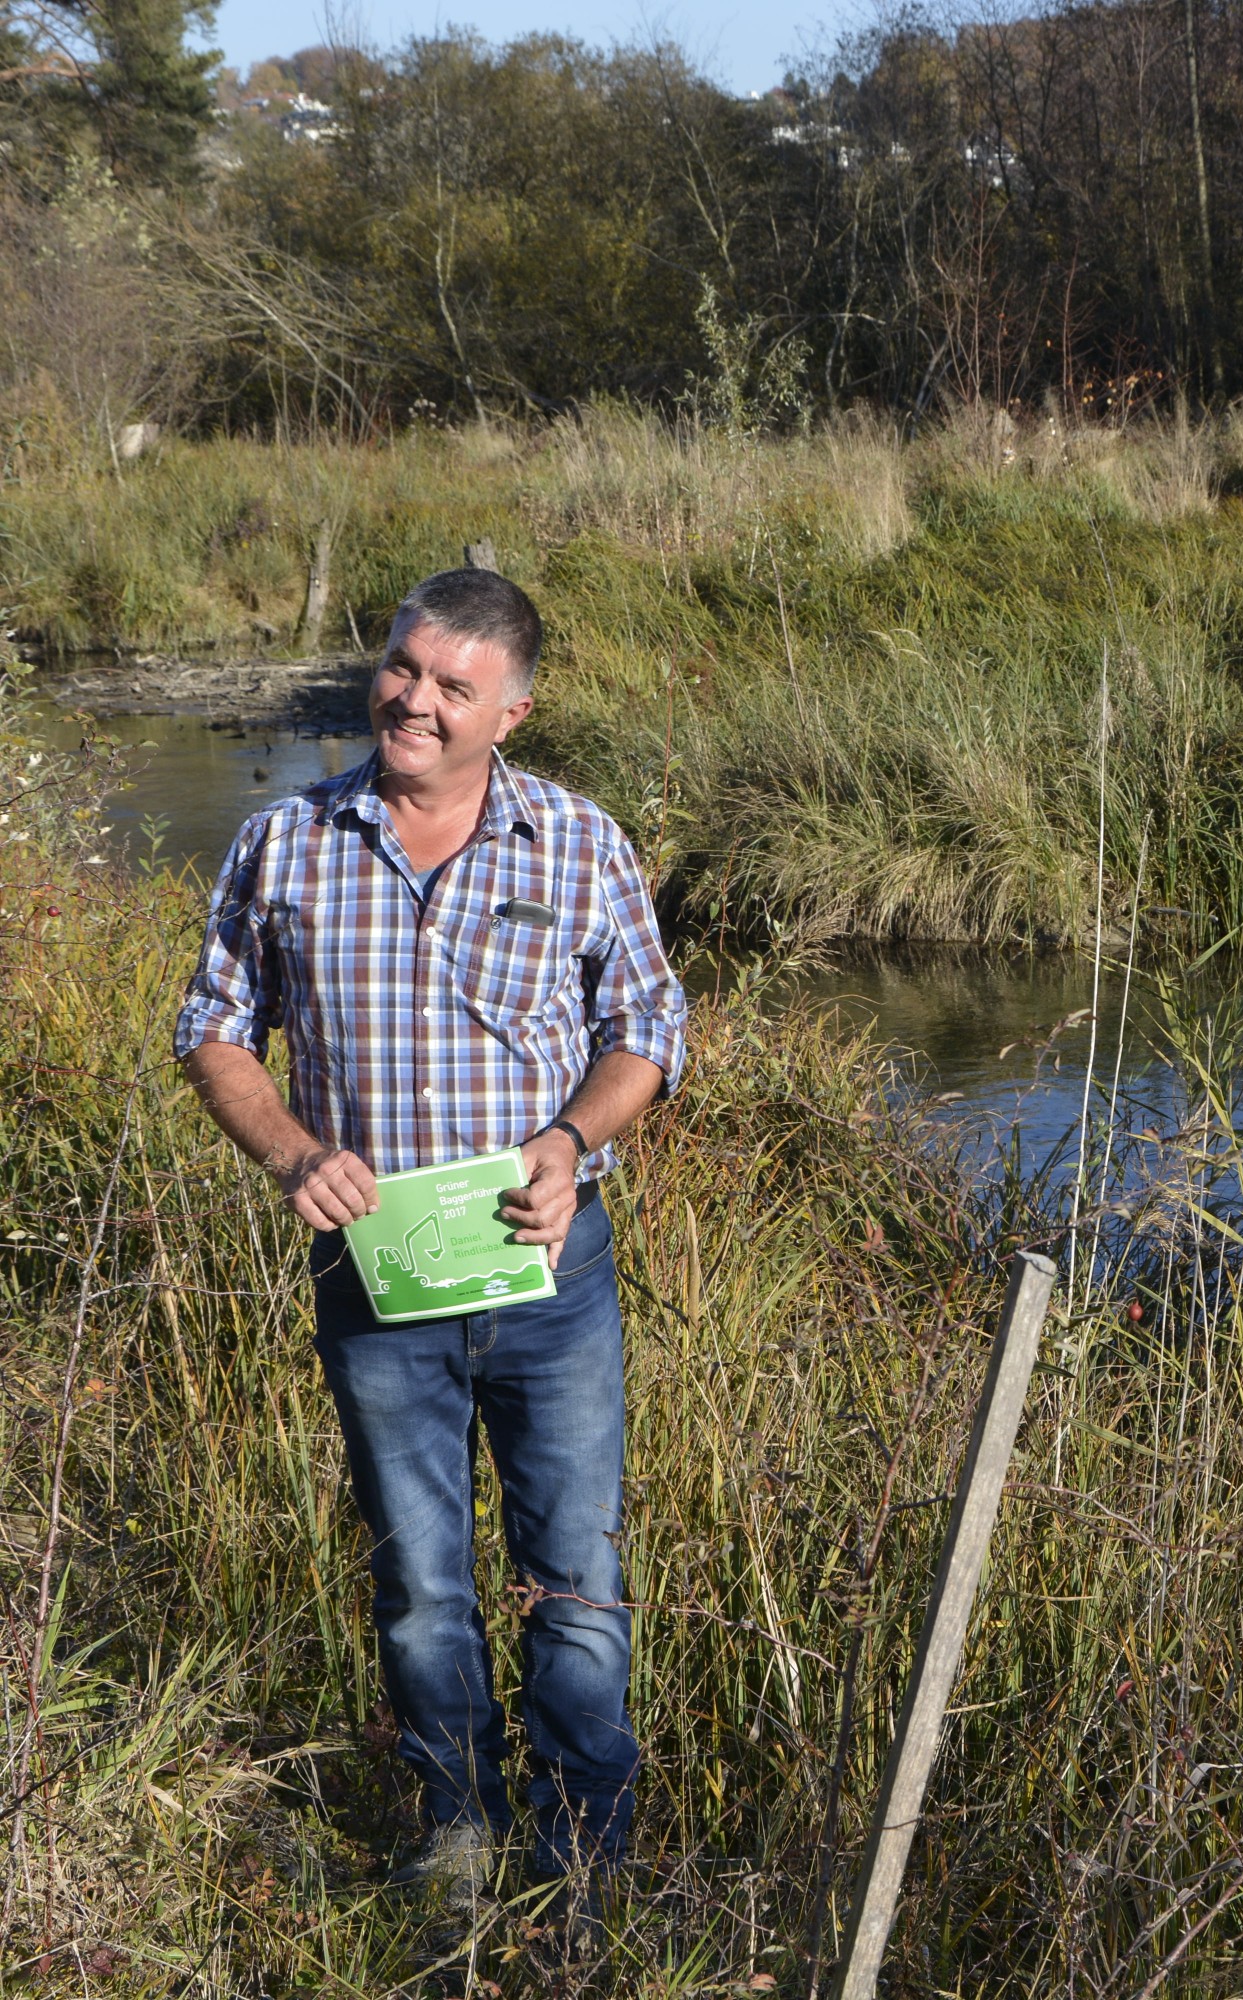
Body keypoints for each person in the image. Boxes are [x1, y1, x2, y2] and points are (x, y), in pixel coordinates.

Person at [175, 567, 686, 1944]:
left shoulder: (578, 843)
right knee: (419, 1586)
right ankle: (456, 1833)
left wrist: (573, 1145)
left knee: (575, 1580)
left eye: (455, 686)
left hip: (547, 1276)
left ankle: (587, 1860)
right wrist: (293, 1152)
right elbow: (214, 1031)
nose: (415, 699)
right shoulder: (288, 839)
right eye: (406, 667)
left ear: (510, 711)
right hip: (378, 1278)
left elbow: (650, 1033)